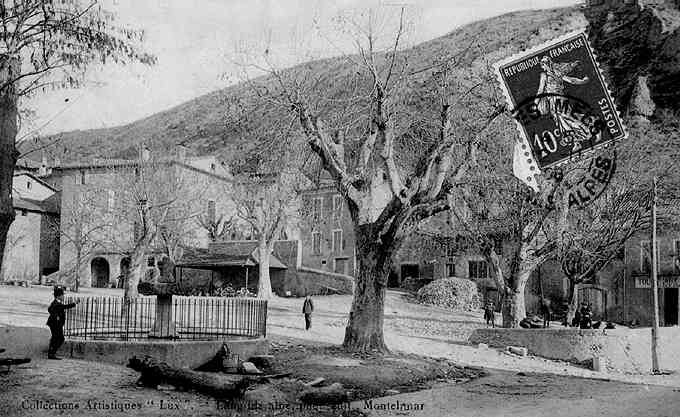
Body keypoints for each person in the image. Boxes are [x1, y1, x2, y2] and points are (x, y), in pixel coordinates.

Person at [534, 56, 592, 153]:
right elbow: (571, 80)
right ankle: (578, 141)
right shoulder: (557, 72)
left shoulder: (544, 75)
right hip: (560, 99)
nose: (543, 67)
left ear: (545, 65)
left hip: (555, 100)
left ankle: (586, 132)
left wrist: (535, 104)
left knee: (566, 120)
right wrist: (583, 81)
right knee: (565, 121)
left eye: (543, 64)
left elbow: (540, 91)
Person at [46, 286, 80, 359]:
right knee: (60, 338)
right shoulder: (56, 303)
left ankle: (51, 353)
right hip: (55, 324)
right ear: (58, 296)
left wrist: (74, 303)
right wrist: (56, 317)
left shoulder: (57, 303)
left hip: (56, 323)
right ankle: (52, 353)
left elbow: (63, 307)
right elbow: (50, 309)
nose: (63, 296)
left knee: (56, 338)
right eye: (62, 295)